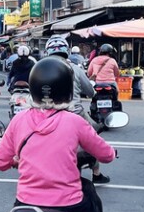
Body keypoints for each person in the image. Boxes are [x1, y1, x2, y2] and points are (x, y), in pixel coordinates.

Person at [0, 57, 116, 212]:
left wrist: (16, 160)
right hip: (69, 205)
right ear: (67, 89)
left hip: (26, 204)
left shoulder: (19, 120)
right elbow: (106, 155)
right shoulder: (75, 122)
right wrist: (112, 152)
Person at [45, 35, 110, 184]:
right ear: (66, 51)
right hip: (75, 112)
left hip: (49, 112)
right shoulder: (74, 68)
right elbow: (90, 91)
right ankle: (96, 173)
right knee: (92, 139)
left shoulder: (42, 69)